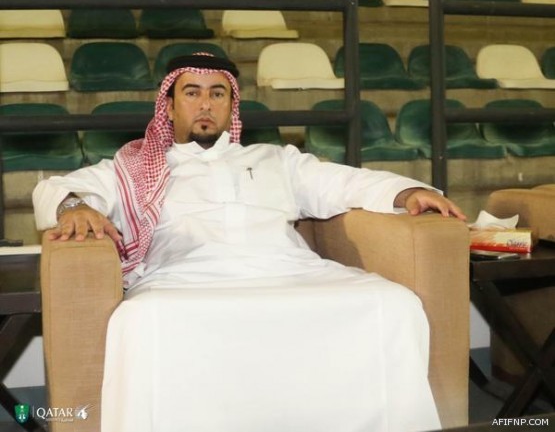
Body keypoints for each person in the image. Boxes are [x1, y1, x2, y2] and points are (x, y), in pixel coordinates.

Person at [33, 54, 466, 432]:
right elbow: (55, 188)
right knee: (143, 318)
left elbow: (345, 182)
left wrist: (407, 193)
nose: (205, 104)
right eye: (192, 93)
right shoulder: (133, 167)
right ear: (169, 105)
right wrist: (74, 207)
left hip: (290, 270)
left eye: (217, 94)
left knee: (394, 303)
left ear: (231, 105)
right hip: (185, 280)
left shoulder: (275, 159)